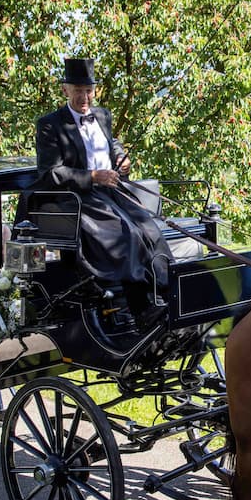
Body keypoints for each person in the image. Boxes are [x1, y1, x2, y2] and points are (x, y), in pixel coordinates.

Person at [34, 57, 170, 317]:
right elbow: (51, 173)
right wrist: (93, 176)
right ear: (65, 90)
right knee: (127, 235)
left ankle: (166, 290)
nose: (84, 97)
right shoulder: (50, 124)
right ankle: (140, 306)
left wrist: (120, 156)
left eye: (88, 91)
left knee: (149, 230)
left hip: (113, 190)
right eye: (78, 91)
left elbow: (111, 142)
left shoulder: (102, 115)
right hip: (80, 197)